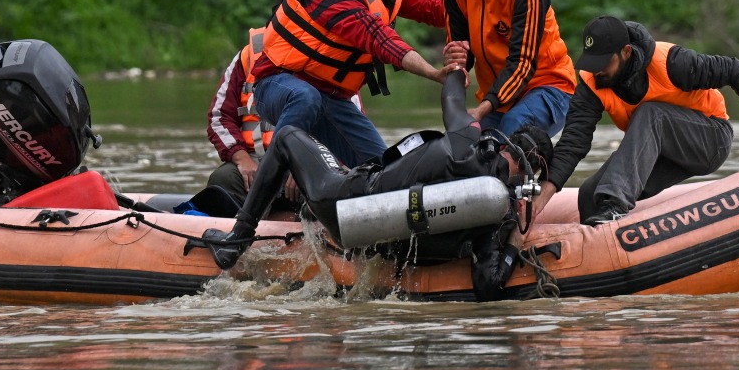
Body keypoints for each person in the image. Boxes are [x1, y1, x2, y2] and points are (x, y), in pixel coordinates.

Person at [200, 69, 555, 301]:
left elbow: (451, 99)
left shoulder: (466, 139)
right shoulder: (498, 211)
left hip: (346, 207)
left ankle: (237, 242)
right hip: (391, 247)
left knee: (288, 136)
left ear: (506, 143)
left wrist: (455, 69)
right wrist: (514, 245)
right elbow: (488, 284)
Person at [537, 15, 739, 225]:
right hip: (660, 152)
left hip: (709, 139)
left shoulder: (672, 63)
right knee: (590, 194)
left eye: (604, 63)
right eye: (592, 62)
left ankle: (615, 208)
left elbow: (734, 69)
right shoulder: (592, 82)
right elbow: (572, 144)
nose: (597, 70)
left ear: (626, 52)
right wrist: (540, 200)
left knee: (651, 113)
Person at [250, 0, 451, 168]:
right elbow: (379, 38)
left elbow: (432, 7)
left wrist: (481, 10)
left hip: (332, 97)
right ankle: (261, 194)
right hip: (279, 85)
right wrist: (433, 73)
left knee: (385, 169)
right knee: (306, 97)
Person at [442, 0, 576, 137]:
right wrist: (455, 60)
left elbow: (522, 63)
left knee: (512, 130)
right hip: (496, 98)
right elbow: (460, 52)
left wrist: (482, 110)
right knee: (468, 147)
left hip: (548, 87)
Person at [206, 26, 361, 207]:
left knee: (334, 187)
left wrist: (309, 165)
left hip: (313, 168)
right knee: (223, 178)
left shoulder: (334, 58)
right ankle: (242, 224)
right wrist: (242, 159)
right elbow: (219, 117)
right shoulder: (248, 56)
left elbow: (349, 134)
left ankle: (304, 224)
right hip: (255, 166)